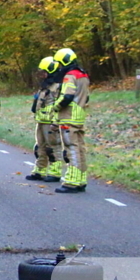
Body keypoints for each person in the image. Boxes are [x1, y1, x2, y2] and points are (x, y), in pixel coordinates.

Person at [51, 48, 91, 193]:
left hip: (68, 116)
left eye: (60, 64)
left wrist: (55, 107)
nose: (59, 67)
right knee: (80, 148)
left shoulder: (70, 76)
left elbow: (67, 96)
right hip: (79, 115)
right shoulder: (83, 75)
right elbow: (86, 97)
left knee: (71, 149)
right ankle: (81, 179)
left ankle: (72, 182)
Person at [25, 57, 64, 183]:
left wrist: (55, 122)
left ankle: (55, 172)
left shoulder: (58, 87)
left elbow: (61, 105)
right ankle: (40, 170)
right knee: (40, 147)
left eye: (44, 72)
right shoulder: (45, 86)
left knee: (53, 147)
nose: (42, 75)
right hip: (41, 121)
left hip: (51, 122)